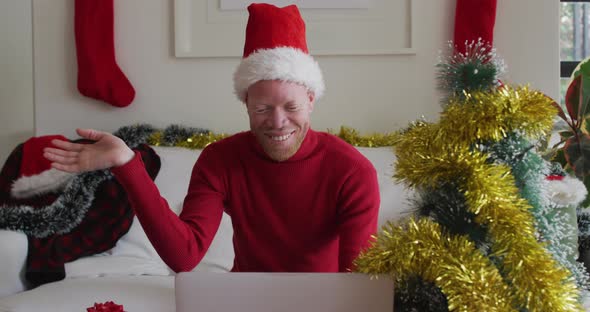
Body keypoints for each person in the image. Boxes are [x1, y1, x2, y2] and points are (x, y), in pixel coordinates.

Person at [43, 3, 380, 273]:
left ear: (311, 99)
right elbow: (184, 255)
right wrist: (128, 164)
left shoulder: (352, 171)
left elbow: (358, 282)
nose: (278, 122)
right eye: (262, 107)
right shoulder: (221, 160)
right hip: (243, 302)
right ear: (245, 102)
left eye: (291, 106)